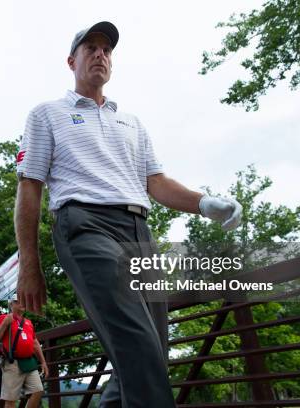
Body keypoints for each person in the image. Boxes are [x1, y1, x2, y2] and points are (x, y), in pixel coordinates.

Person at [14, 21, 243, 407]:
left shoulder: (131, 123)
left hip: (139, 231)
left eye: (106, 50)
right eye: (91, 48)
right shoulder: (47, 115)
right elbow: (29, 186)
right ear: (72, 61)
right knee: (137, 342)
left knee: (148, 353)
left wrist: (204, 203)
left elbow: (156, 182)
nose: (100, 55)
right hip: (86, 226)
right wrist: (29, 264)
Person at [0, 297, 49, 408]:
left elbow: (35, 343)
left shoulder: (28, 322)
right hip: (12, 363)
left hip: (29, 362)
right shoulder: (3, 318)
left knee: (38, 391)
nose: (22, 303)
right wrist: (4, 324)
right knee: (11, 400)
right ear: (11, 305)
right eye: (18, 301)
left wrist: (43, 362)